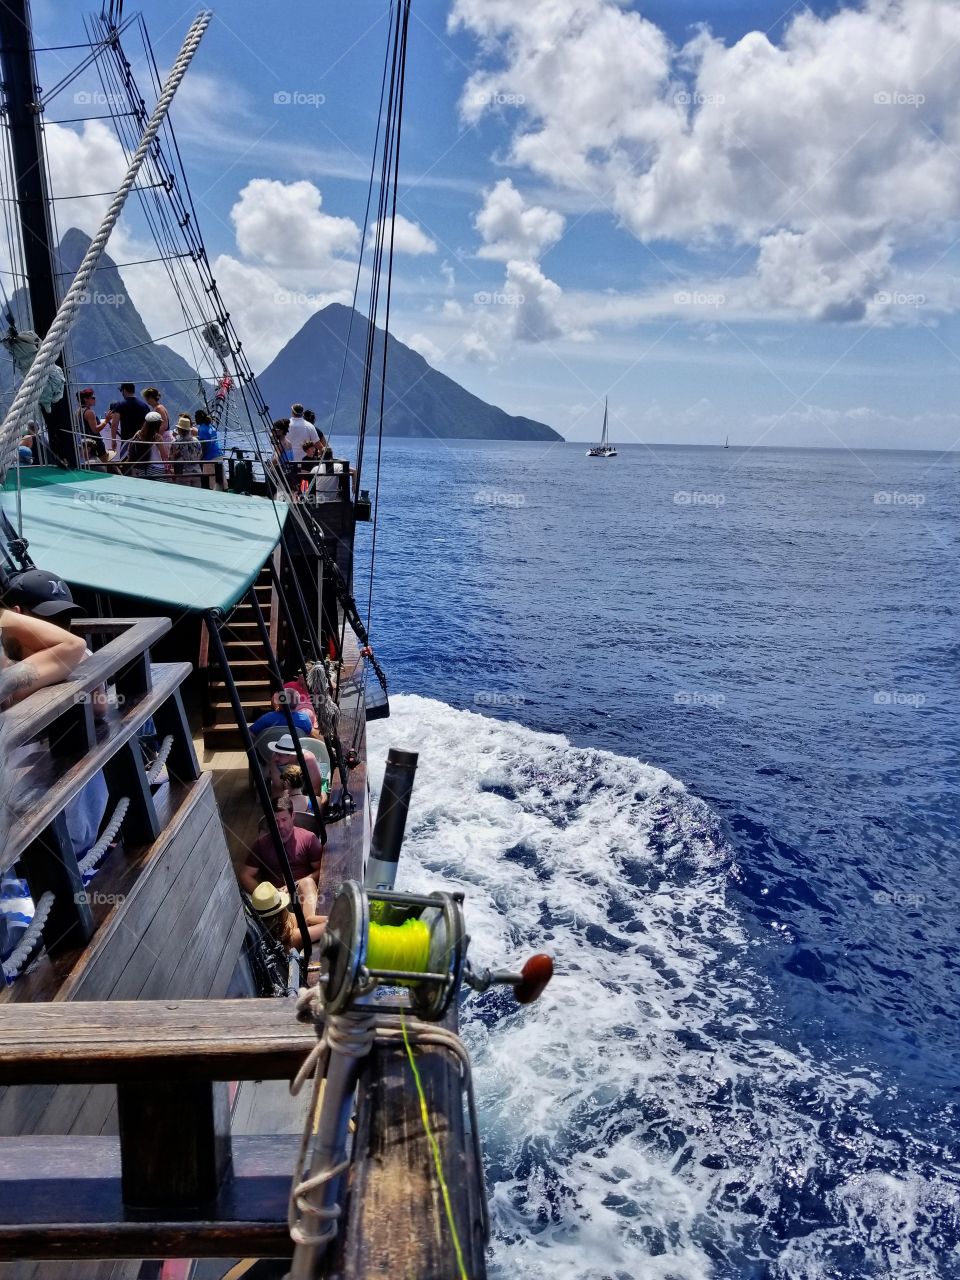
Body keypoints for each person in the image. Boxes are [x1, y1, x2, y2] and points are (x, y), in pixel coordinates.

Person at [239, 795, 325, 922]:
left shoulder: (309, 839)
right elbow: (245, 876)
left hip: (304, 895)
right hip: (277, 902)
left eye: (284, 819)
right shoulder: (261, 844)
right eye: (275, 821)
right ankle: (313, 926)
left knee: (306, 884)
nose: (280, 825)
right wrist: (268, 894)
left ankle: (311, 923)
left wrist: (298, 883)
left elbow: (322, 871)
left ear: (293, 816)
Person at [249, 880, 326, 949]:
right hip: (303, 930)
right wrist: (310, 919)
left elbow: (306, 883)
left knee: (306, 882)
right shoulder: (293, 937)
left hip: (297, 925)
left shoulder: (272, 927)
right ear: (282, 910)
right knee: (307, 883)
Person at [266, 732, 329, 811]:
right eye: (276, 753)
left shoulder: (308, 760)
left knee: (320, 801)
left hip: (310, 786)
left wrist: (300, 802)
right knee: (278, 799)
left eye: (280, 755)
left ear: (292, 755)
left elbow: (315, 791)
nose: (275, 758)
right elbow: (278, 786)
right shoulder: (275, 758)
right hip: (290, 786)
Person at [105, 382, 149, 460]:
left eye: (121, 390)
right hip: (141, 441)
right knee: (140, 465)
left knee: (126, 464)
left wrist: (113, 441)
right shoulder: (144, 406)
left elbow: (114, 424)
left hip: (126, 442)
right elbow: (147, 423)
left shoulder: (120, 405)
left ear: (124, 390)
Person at [248, 687, 314, 737]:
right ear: (298, 703)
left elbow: (250, 733)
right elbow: (308, 736)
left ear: (279, 703)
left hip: (268, 752)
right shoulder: (304, 719)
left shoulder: (267, 717)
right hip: (295, 752)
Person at [127, 411, 169, 480]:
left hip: (142, 468)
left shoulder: (138, 434)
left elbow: (130, 448)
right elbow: (164, 455)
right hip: (157, 469)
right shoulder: (157, 437)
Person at [75, 388, 109, 466]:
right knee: (103, 464)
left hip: (85, 443)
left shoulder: (78, 411)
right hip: (95, 443)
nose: (95, 399)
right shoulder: (89, 412)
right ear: (85, 399)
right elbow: (95, 430)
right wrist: (106, 420)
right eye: (93, 398)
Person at [169, 414, 202, 486]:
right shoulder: (196, 441)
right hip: (196, 472)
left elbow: (171, 458)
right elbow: (200, 455)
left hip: (182, 473)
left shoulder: (175, 443)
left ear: (179, 429)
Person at [194, 408, 224, 488]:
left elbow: (204, 446)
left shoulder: (202, 429)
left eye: (196, 417)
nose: (195, 420)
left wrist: (199, 458)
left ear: (199, 418)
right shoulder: (211, 426)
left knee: (211, 483)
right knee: (220, 481)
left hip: (210, 458)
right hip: (219, 455)